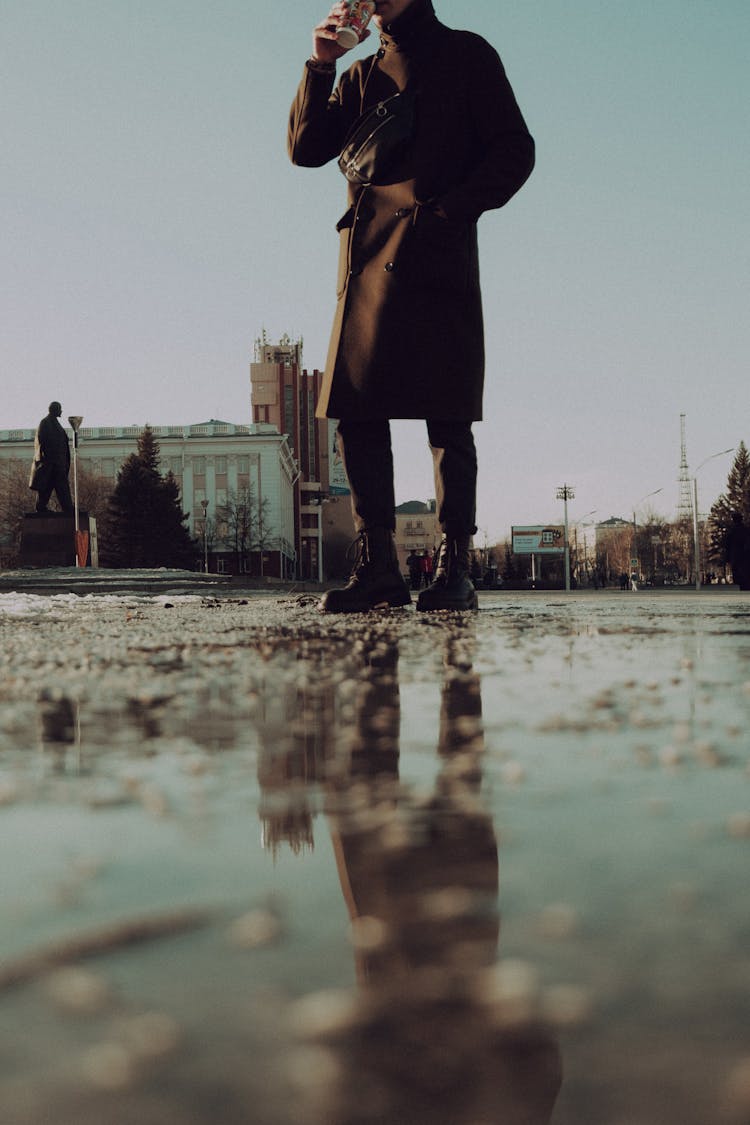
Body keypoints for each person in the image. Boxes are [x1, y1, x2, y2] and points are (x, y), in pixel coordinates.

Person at [289, 0, 534, 612]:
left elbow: (515, 149)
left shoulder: (466, 54)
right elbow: (304, 149)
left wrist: (453, 211)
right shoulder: (358, 74)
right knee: (357, 411)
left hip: (437, 252)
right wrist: (320, 66)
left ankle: (455, 566)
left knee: (447, 414)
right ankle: (378, 569)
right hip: (368, 255)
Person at [28, 401, 74, 514]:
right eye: (59, 409)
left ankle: (67, 508)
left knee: (61, 487)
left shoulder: (56, 424)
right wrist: (45, 461)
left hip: (58, 464)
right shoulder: (45, 423)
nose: (61, 411)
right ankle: (41, 507)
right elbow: (40, 442)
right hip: (50, 464)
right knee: (47, 488)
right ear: (54, 410)